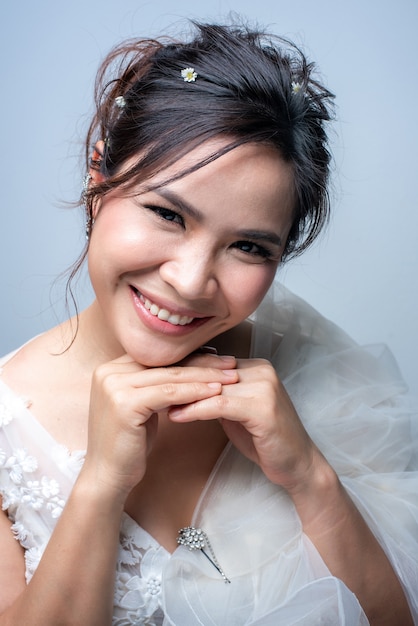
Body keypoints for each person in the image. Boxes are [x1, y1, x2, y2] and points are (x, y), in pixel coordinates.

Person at [0, 20, 417, 626]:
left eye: (249, 247)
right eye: (167, 213)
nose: (192, 281)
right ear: (98, 179)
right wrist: (100, 487)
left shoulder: (309, 359)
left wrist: (307, 475)